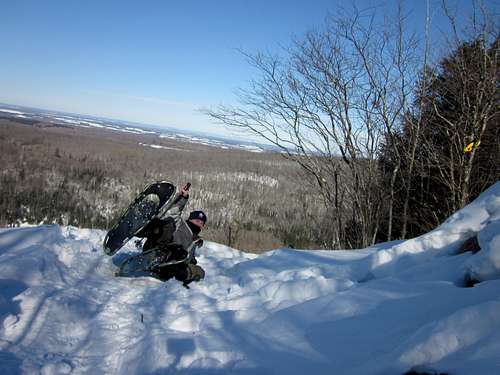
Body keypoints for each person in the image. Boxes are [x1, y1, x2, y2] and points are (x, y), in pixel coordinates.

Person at [135, 183, 206, 287]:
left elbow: (188, 262)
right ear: (190, 219)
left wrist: (188, 270)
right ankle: (141, 221)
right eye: (196, 220)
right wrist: (183, 198)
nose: (198, 224)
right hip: (156, 248)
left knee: (193, 268)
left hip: (168, 267)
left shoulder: (195, 241)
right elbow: (173, 212)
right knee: (167, 223)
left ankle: (163, 264)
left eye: (201, 223)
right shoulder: (180, 223)